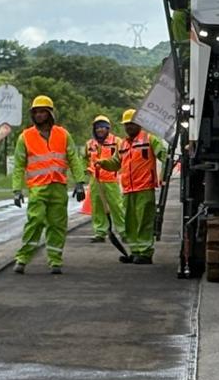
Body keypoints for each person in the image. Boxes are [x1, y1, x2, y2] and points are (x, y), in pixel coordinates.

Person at [11, 95, 86, 274]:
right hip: (38, 188)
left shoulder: (63, 134)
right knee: (35, 221)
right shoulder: (25, 137)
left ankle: (55, 260)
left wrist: (80, 182)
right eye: (35, 112)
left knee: (57, 224)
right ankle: (23, 258)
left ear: (50, 113)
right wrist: (16, 189)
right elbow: (19, 165)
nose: (39, 115)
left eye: (42, 111)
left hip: (58, 187)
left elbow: (73, 159)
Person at [95, 109, 168, 264]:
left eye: (132, 124)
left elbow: (165, 156)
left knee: (144, 221)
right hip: (128, 190)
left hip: (145, 188)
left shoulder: (150, 140)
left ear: (139, 124)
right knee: (130, 221)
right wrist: (103, 163)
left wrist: (164, 175)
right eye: (126, 125)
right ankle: (135, 251)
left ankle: (146, 253)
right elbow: (116, 163)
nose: (129, 127)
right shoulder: (123, 144)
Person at [85, 114, 125, 244]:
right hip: (95, 181)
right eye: (97, 127)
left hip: (111, 180)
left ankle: (123, 232)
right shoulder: (90, 144)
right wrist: (87, 170)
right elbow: (84, 159)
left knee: (117, 207)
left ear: (108, 128)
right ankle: (100, 232)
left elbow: (123, 159)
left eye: (103, 127)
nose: (100, 130)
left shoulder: (117, 142)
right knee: (97, 207)